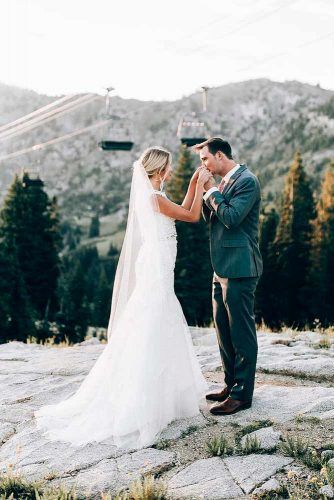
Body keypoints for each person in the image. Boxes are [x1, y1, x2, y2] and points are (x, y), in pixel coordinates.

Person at [34, 146, 211, 450]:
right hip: (157, 265)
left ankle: (161, 394)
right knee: (155, 318)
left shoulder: (155, 197)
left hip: (158, 262)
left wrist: (194, 185)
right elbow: (192, 215)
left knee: (156, 316)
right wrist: (196, 181)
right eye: (168, 167)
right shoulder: (154, 198)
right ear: (159, 170)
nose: (171, 170)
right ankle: (147, 398)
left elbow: (181, 210)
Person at [195, 137, 263, 415]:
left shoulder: (247, 181)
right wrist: (208, 193)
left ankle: (242, 395)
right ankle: (231, 384)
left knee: (241, 331)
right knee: (223, 329)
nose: (204, 166)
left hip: (241, 266)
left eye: (205, 160)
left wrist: (210, 191)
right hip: (221, 266)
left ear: (220, 155)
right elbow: (213, 216)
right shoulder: (223, 183)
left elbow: (232, 218)